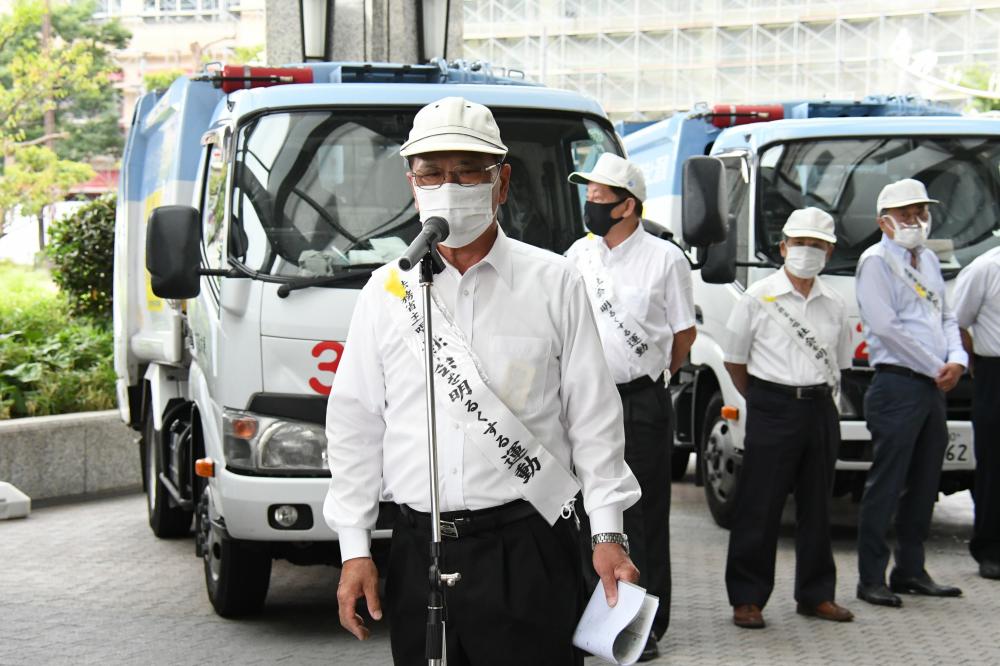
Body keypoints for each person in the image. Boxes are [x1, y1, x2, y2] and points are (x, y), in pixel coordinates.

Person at [323, 96, 642, 666]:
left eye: (469, 171)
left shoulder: (555, 283)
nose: (450, 186)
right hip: (420, 549)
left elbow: (594, 419)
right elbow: (354, 425)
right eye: (432, 173)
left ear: (502, 182)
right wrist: (354, 549)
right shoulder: (387, 293)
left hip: (526, 547)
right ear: (412, 182)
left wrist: (609, 534)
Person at [564, 153, 696, 660]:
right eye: (589, 194)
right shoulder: (578, 254)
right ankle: (589, 612)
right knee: (584, 512)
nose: (590, 203)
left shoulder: (666, 259)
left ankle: (643, 626)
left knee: (641, 516)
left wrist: (656, 377)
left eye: (599, 196)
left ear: (627, 206)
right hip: (582, 401)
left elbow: (683, 333)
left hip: (639, 400)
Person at [722, 207, 854, 629]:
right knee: (759, 505)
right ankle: (747, 598)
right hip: (772, 405)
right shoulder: (758, 298)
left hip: (819, 408)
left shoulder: (835, 304)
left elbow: (841, 363)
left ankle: (816, 595)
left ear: (829, 252)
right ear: (782, 247)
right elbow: (734, 361)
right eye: (799, 243)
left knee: (818, 505)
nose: (806, 252)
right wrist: (764, 399)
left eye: (816, 245)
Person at [855, 178, 967, 607]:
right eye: (906, 215)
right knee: (887, 484)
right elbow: (885, 327)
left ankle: (911, 569)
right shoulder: (876, 262)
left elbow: (947, 315)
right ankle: (870, 578)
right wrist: (935, 366)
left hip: (933, 384)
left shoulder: (929, 261)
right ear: (885, 222)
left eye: (921, 212)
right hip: (899, 382)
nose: (916, 221)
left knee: (924, 482)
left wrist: (957, 359)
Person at [953, 246, 1000, 580]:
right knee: (995, 464)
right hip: (995, 372)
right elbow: (956, 322)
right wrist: (973, 364)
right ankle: (990, 549)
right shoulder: (985, 268)